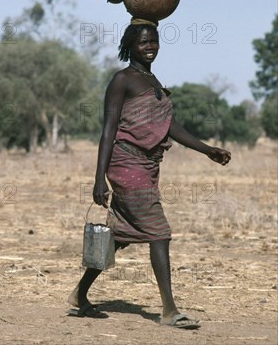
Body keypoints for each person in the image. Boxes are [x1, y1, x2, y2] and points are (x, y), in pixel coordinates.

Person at [68, 18, 231, 328]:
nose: (150, 47)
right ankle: (169, 310)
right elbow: (108, 131)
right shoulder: (122, 80)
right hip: (126, 165)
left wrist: (207, 149)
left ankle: (79, 294)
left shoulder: (154, 82)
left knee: (117, 237)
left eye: (154, 41)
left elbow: (169, 126)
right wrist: (98, 177)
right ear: (130, 45)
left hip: (147, 166)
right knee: (159, 232)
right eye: (144, 42)